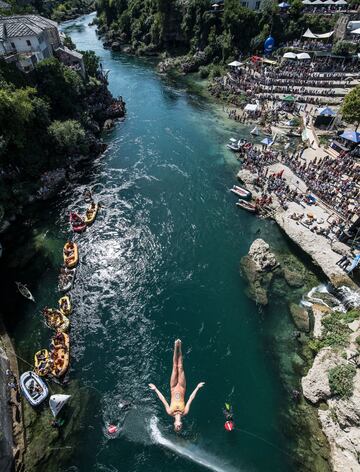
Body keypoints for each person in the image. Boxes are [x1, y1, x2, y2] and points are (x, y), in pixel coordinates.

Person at [149, 339, 205, 432]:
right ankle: (180, 346)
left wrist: (155, 389)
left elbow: (163, 399)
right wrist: (197, 388)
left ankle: (176, 346)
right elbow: (191, 398)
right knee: (180, 366)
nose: (179, 427)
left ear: (174, 424)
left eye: (177, 427)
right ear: (181, 424)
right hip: (182, 387)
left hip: (173, 387)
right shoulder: (185, 412)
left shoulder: (170, 411)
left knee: (175, 366)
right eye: (180, 427)